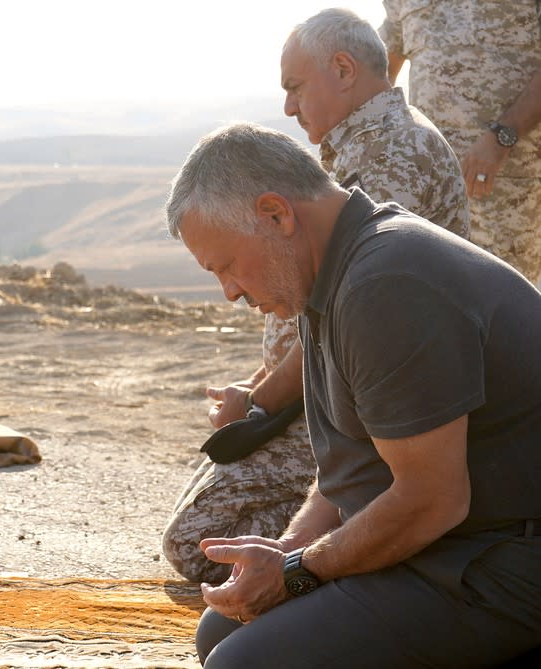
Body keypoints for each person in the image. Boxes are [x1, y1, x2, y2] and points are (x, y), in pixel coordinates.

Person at [165, 121, 541, 668]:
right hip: (455, 539)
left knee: (241, 664)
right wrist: (289, 552)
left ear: (276, 214)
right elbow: (353, 463)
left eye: (226, 266)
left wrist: (297, 575)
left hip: (502, 558)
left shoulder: (386, 284)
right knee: (220, 630)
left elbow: (433, 499)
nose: (230, 292)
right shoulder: (334, 269)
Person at [162, 7, 470, 584]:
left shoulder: (390, 157)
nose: (288, 106)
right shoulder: (356, 151)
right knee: (207, 511)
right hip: (319, 390)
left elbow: (346, 312)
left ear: (344, 69)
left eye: (295, 86)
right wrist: (256, 392)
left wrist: (261, 406)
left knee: (196, 542)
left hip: (359, 396)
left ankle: (366, 544)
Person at [379, 0, 541, 285]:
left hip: (506, 192)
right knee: (434, 305)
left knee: (505, 309)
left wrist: (503, 136)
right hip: (428, 189)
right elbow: (378, 68)